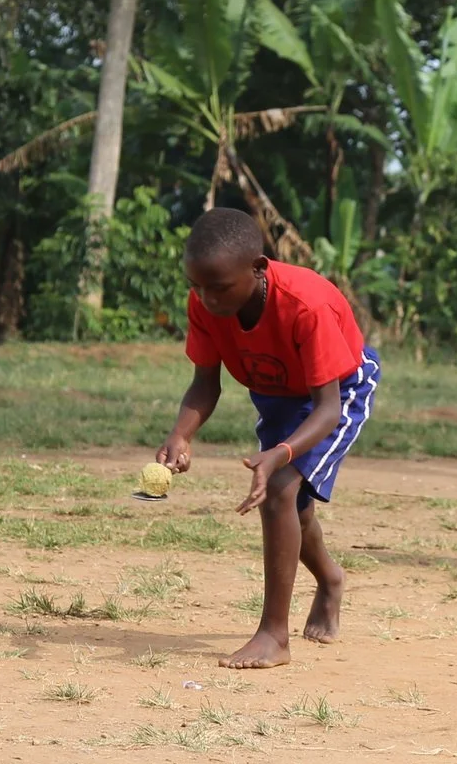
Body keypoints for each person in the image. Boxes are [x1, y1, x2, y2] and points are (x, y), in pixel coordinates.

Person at [155, 208, 381, 670]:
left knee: (280, 489)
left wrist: (280, 453)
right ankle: (330, 578)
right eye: (195, 286)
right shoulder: (204, 303)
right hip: (277, 393)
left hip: (338, 389)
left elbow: (328, 408)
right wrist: (181, 435)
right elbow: (205, 384)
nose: (205, 298)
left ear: (258, 267)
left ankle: (273, 636)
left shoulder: (306, 305)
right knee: (292, 508)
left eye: (218, 287)